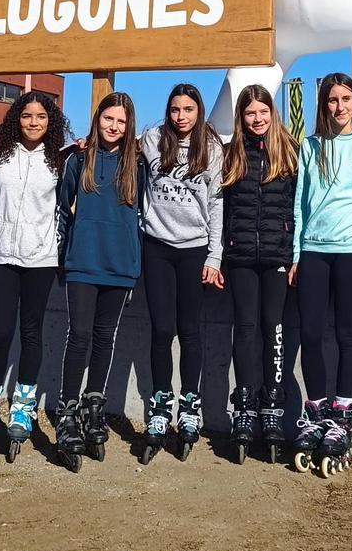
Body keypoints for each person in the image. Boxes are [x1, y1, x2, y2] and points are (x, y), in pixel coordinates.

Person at [289, 72, 352, 475]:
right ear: (323, 105)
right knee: (310, 335)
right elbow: (300, 204)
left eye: (346, 99)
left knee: (346, 333)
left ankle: (341, 415)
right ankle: (315, 412)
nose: (340, 106)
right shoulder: (310, 147)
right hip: (313, 250)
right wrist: (296, 253)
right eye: (332, 100)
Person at [0, 90, 69, 465]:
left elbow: (70, 204)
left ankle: (23, 406)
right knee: (1, 333)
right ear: (16, 119)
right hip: (2, 256)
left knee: (31, 333)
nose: (34, 122)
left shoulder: (60, 158)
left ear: (50, 121)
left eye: (41, 117)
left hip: (41, 259)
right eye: (27, 116)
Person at [54, 91, 143, 469]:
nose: (114, 126)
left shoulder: (137, 165)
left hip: (120, 264)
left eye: (121, 122)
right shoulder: (78, 160)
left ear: (129, 127)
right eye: (109, 119)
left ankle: (94, 405)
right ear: (98, 119)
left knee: (106, 337)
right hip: (83, 262)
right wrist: (61, 258)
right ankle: (68, 411)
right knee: (81, 335)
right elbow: (61, 209)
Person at [138, 82, 223, 461]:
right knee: (160, 330)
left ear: (198, 111)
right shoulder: (152, 138)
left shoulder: (212, 147)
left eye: (188, 109)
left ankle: (189, 406)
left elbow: (218, 205)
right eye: (175, 109)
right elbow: (117, 143)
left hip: (194, 250)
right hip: (156, 246)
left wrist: (214, 256)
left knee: (190, 332)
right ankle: (159, 407)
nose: (180, 116)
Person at [218, 83, 298, 463]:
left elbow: (300, 208)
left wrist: (293, 254)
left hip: (277, 257)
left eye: (262, 111)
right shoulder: (232, 153)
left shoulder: (290, 152)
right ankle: (245, 402)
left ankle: (272, 404)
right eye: (250, 113)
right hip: (241, 258)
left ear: (272, 111)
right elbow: (222, 209)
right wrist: (219, 256)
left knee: (274, 329)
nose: (257, 119)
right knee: (245, 329)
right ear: (242, 117)